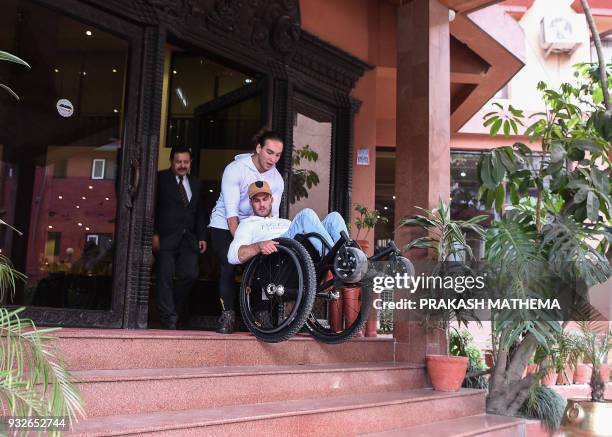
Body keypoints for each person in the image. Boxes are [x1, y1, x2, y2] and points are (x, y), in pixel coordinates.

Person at [208, 130, 284, 334]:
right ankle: (228, 315)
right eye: (269, 152)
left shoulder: (277, 179)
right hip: (225, 224)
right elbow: (232, 215)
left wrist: (263, 247)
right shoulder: (235, 169)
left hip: (255, 225)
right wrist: (241, 246)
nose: (273, 159)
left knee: (264, 263)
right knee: (229, 263)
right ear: (258, 148)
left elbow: (271, 219)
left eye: (277, 155)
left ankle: (262, 313)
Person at [227, 180, 348, 266]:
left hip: (304, 250)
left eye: (265, 199)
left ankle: (350, 256)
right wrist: (259, 246)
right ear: (251, 203)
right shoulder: (247, 224)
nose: (262, 204)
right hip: (281, 256)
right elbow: (232, 256)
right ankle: (339, 261)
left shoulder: (285, 222)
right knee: (306, 215)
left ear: (272, 200)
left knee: (334, 218)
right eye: (257, 201)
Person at [153, 146, 207, 329]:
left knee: (190, 274)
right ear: (171, 162)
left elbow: (199, 212)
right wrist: (153, 233)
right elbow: (151, 207)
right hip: (166, 237)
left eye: (186, 162)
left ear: (190, 163)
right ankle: (168, 318)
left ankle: (171, 309)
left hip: (189, 238)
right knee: (165, 277)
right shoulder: (160, 179)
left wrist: (202, 236)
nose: (182, 165)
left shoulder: (196, 183)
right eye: (178, 162)